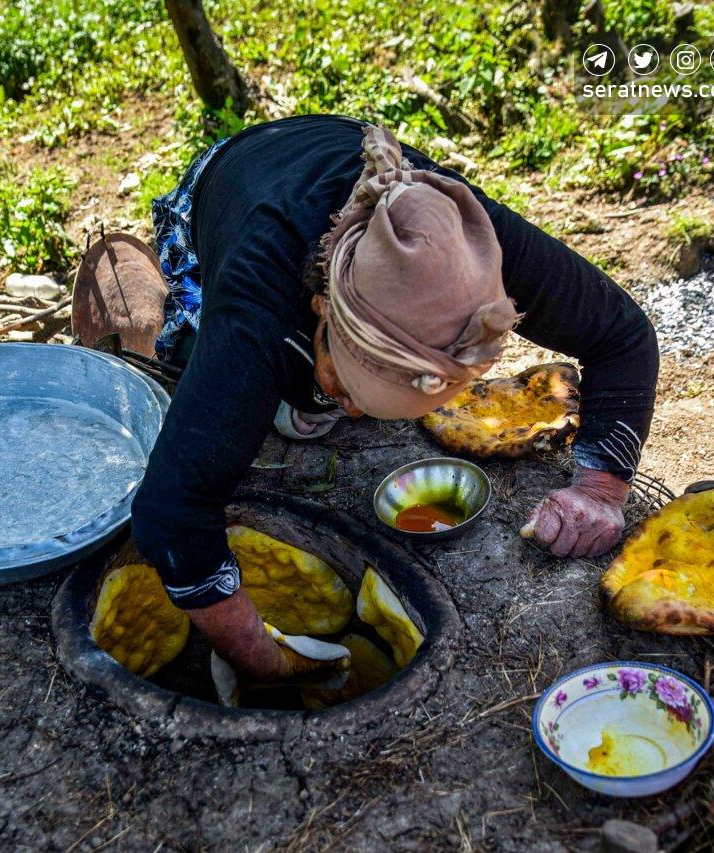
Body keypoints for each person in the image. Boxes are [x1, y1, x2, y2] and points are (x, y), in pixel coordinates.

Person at [128, 115, 658, 686]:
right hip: (234, 180)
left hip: (326, 169)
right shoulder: (254, 307)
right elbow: (170, 516)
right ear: (321, 309)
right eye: (346, 385)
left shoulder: (474, 251)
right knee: (228, 380)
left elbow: (624, 335)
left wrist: (600, 490)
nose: (354, 414)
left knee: (306, 403)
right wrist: (267, 662)